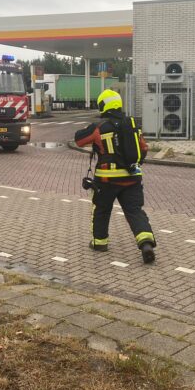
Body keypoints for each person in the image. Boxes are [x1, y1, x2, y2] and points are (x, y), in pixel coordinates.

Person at [74, 89, 156, 264]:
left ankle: (100, 242)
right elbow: (143, 149)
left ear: (103, 105)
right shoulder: (132, 125)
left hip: (106, 180)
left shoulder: (99, 127)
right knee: (134, 211)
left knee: (102, 209)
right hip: (132, 178)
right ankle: (146, 243)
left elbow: (79, 140)